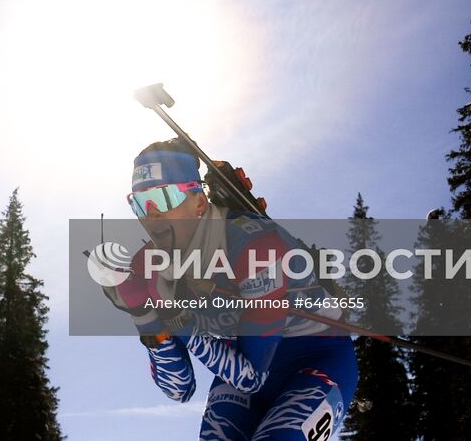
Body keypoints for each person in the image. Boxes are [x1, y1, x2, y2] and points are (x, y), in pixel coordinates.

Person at [104, 140, 358, 441]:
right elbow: (179, 389)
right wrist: (144, 317)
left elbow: (251, 375)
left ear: (199, 201)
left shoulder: (254, 245)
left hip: (316, 358)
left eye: (164, 197)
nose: (151, 215)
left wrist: (177, 319)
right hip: (235, 374)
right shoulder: (150, 265)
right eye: (138, 203)